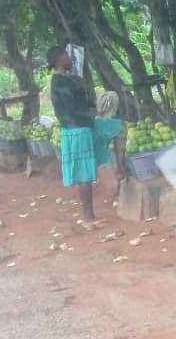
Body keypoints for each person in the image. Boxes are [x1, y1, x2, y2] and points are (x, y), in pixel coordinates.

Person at [48, 45, 122, 226]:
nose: (69, 58)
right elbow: (74, 109)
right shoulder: (61, 82)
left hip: (79, 128)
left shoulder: (65, 80)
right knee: (84, 176)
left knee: (118, 129)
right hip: (77, 130)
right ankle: (88, 218)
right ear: (58, 59)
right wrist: (91, 107)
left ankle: (121, 170)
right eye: (66, 55)